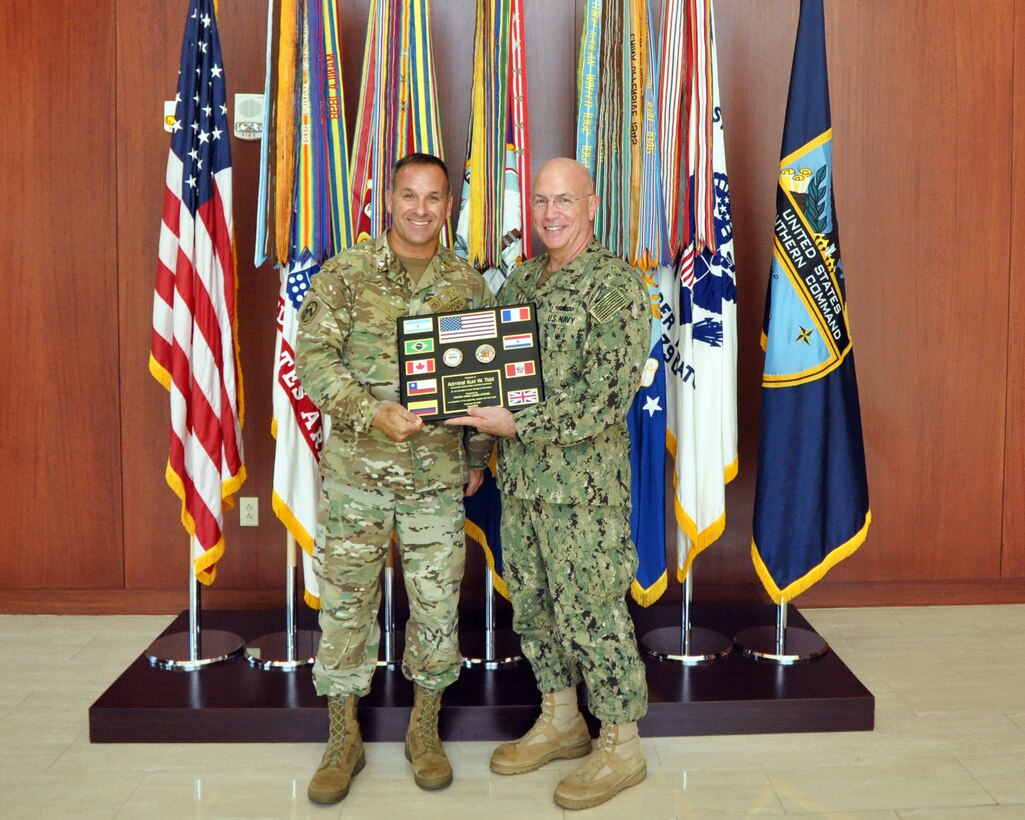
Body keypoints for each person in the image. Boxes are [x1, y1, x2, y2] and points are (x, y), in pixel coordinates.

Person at [446, 157, 651, 810]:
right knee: (533, 611)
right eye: (539, 201)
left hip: (584, 493)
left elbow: (604, 397)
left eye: (564, 200)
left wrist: (517, 420)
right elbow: (486, 375)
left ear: (591, 205)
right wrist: (477, 447)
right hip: (523, 486)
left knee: (592, 615)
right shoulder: (523, 281)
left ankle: (620, 744)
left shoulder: (617, 286)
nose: (550, 213)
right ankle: (561, 718)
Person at [295, 152, 494, 804]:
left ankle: (424, 728)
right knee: (347, 606)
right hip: (356, 476)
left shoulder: (465, 285)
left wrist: (471, 461)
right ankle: (342, 736)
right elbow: (314, 361)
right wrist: (369, 411)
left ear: (447, 207)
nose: (419, 209)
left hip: (435, 477)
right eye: (408, 195)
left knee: (437, 609)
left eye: (433, 198)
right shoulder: (345, 275)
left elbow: (476, 384)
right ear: (388, 199)